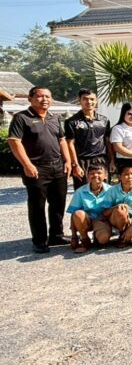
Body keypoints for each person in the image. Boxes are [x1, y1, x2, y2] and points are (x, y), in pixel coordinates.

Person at [7, 87, 72, 253]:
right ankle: (39, 240)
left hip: (58, 166)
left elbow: (62, 140)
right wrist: (27, 164)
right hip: (36, 168)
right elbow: (14, 141)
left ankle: (56, 235)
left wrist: (68, 161)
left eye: (48, 96)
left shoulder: (54, 117)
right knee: (37, 205)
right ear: (30, 98)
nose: (45, 99)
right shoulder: (21, 118)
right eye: (40, 96)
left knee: (58, 203)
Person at [64, 88, 112, 190]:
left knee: (104, 190)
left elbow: (107, 141)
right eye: (85, 99)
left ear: (96, 100)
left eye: (92, 99)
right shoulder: (71, 122)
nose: (89, 102)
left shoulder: (104, 120)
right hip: (82, 161)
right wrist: (75, 165)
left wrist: (111, 160)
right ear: (80, 100)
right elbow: (70, 144)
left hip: (101, 160)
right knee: (83, 191)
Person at [66, 163, 112, 253]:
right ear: (87, 176)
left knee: (103, 239)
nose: (95, 175)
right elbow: (73, 215)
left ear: (106, 175)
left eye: (99, 173)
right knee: (78, 213)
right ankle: (85, 240)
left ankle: (98, 236)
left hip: (102, 221)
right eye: (92, 173)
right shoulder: (80, 191)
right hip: (86, 221)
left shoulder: (111, 190)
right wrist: (74, 236)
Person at [100, 163, 132, 247]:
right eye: (126, 174)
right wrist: (117, 207)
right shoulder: (112, 191)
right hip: (116, 218)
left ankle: (130, 233)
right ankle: (122, 234)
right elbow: (104, 212)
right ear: (119, 177)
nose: (130, 177)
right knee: (121, 209)